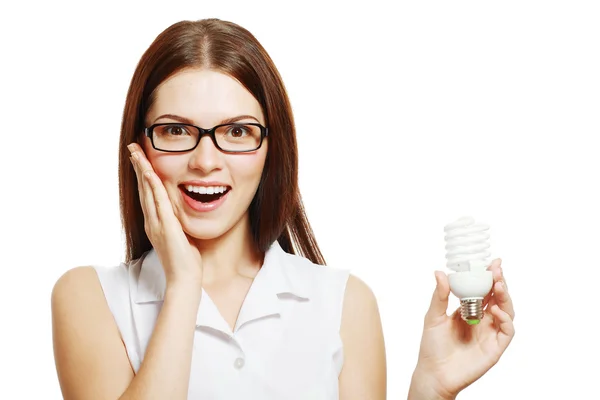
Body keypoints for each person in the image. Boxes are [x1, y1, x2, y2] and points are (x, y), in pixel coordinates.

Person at [51, 18, 515, 400]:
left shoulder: (343, 303)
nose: (206, 161)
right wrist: (184, 285)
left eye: (237, 132)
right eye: (175, 131)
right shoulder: (91, 298)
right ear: (140, 147)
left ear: (272, 149)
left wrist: (430, 389)